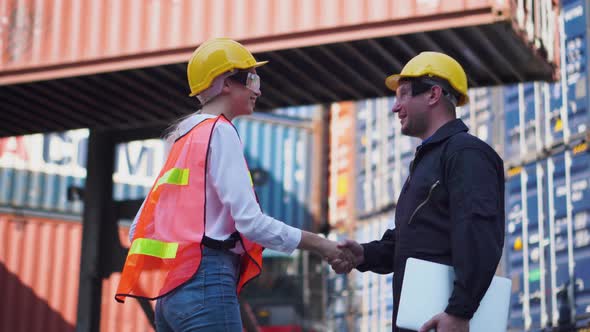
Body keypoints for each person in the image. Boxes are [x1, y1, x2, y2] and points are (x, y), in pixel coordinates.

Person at [115, 38, 354, 331]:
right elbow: (250, 223)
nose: (259, 89)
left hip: (170, 298)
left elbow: (138, 228)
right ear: (227, 82)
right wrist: (320, 244)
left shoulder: (182, 140)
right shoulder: (220, 131)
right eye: (252, 79)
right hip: (206, 286)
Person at [330, 52, 505, 332]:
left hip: (445, 321)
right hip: (421, 321)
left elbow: (479, 235)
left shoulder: (466, 154)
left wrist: (460, 312)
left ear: (433, 94)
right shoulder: (426, 162)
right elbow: (410, 241)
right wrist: (364, 254)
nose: (395, 107)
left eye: (403, 95)